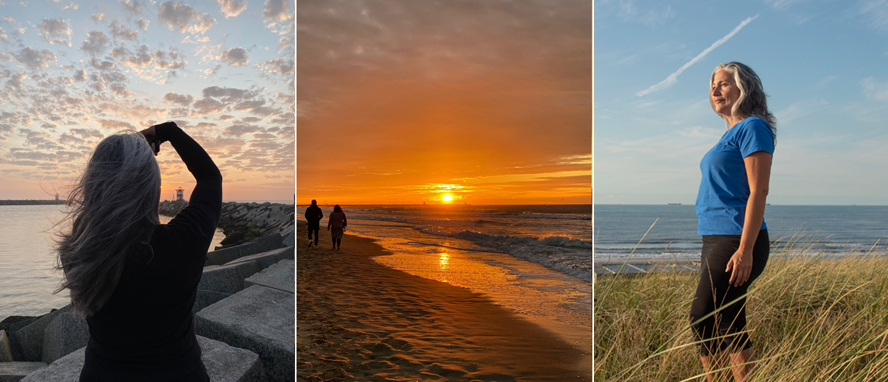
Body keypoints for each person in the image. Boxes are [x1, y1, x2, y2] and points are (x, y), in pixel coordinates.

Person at [55, 121, 221, 382]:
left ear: (92, 187)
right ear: (152, 188)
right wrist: (170, 132)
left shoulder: (78, 252)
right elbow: (210, 177)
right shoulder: (183, 242)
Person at [689, 62, 775, 382]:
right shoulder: (730, 134)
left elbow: (759, 191)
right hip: (714, 237)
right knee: (727, 319)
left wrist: (745, 249)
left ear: (744, 89)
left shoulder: (753, 127)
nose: (715, 90)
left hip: (735, 237)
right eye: (713, 85)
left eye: (724, 83)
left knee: (702, 317)